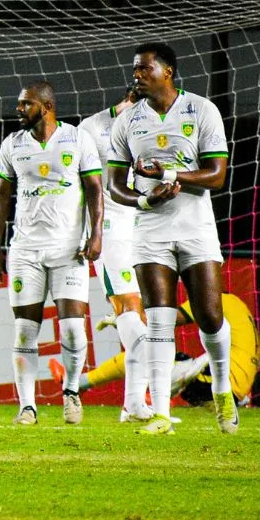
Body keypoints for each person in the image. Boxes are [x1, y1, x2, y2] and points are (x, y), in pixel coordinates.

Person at [108, 42, 236, 435]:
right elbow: (114, 186)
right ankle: (162, 412)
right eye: (135, 70)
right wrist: (144, 199)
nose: (137, 76)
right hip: (150, 232)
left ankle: (221, 386)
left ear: (168, 71)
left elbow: (217, 175)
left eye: (145, 69)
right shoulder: (127, 122)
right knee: (159, 322)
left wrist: (170, 176)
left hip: (196, 229)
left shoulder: (201, 110)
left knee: (210, 318)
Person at [0, 81, 103, 425]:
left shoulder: (78, 139)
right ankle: (27, 405)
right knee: (25, 330)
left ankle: (71, 393)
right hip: (25, 250)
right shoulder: (13, 144)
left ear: (46, 106)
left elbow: (95, 190)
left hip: (69, 250)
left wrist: (96, 235)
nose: (18, 109)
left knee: (72, 329)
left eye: (25, 104)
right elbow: (0, 198)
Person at [78, 85, 152, 422]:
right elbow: (83, 185)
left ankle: (134, 404)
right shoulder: (92, 130)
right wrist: (88, 234)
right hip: (110, 232)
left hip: (145, 228)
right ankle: (137, 401)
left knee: (142, 315)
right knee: (130, 308)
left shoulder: (151, 129)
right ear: (128, 99)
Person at [58, 293, 260, 407]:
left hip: (214, 386)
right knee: (177, 360)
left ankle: (154, 397)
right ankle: (84, 383)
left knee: (147, 352)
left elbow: (165, 321)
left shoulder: (215, 300)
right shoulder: (237, 304)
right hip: (236, 389)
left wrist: (125, 320)